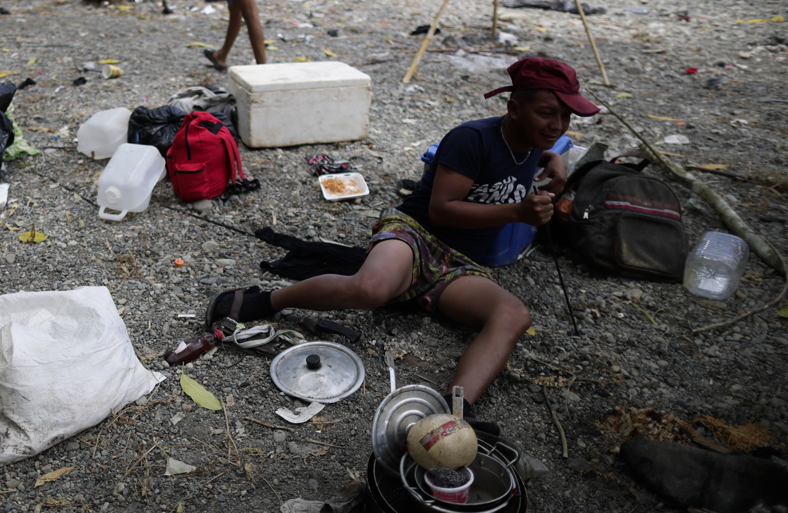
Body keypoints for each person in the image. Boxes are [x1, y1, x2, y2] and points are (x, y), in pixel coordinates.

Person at [204, 57, 601, 408]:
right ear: (514, 108)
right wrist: (516, 211)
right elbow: (440, 211)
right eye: (548, 113)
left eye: (565, 118)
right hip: (414, 233)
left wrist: (555, 161)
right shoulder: (472, 139)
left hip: (461, 263)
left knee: (513, 314)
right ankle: (269, 300)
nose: (557, 126)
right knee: (370, 290)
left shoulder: (537, 141)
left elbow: (550, 147)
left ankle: (455, 412)